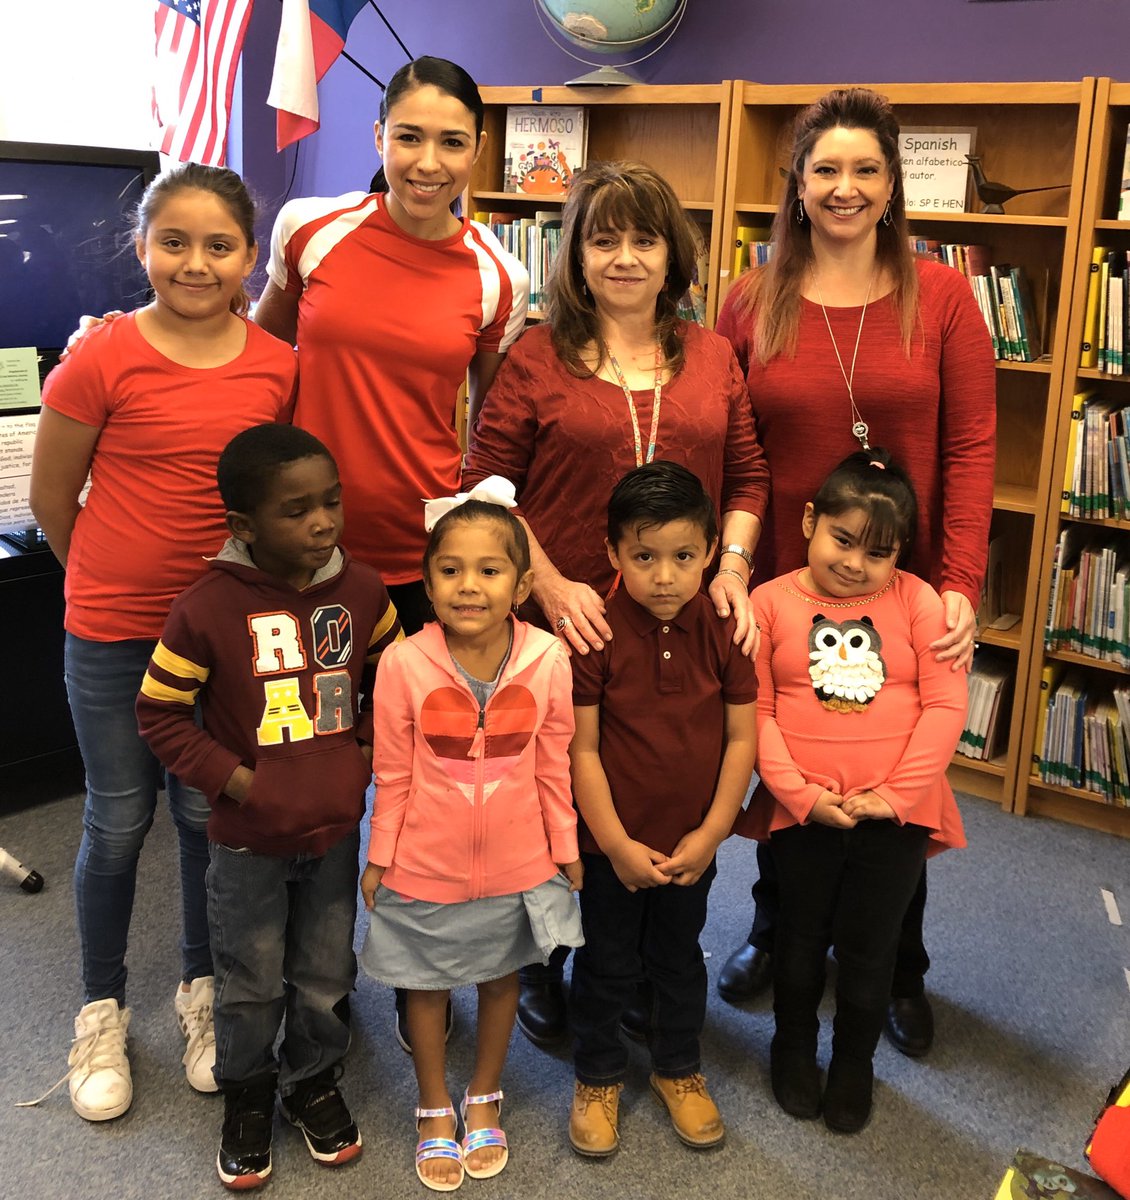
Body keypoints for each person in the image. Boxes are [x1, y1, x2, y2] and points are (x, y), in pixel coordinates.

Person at [713, 86, 995, 1053]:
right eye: (824, 168)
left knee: (893, 775)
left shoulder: (945, 297)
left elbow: (971, 448)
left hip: (902, 588)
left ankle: (896, 963)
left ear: (892, 185)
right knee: (785, 762)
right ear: (796, 184)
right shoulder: (751, 299)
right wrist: (733, 568)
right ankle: (774, 929)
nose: (844, 187)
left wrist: (958, 578)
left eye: (865, 169)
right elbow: (730, 450)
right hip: (783, 582)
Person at [464, 159, 769, 1045]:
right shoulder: (534, 355)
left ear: (674, 254)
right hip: (564, 627)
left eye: (644, 238)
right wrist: (547, 581)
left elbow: (749, 474)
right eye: (604, 239)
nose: (625, 257)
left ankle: (629, 960)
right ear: (576, 255)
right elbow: (484, 487)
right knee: (550, 809)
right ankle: (540, 961)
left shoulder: (712, 356)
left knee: (649, 792)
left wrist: (735, 568)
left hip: (678, 625)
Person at [26, 165, 296, 1122]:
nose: (195, 261)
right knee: (115, 822)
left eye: (219, 245)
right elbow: (52, 499)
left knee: (200, 819)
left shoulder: (275, 363)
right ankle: (101, 1012)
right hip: (112, 630)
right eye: (173, 241)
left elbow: (271, 499)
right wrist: (103, 578)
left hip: (217, 642)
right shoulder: (99, 358)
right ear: (143, 249)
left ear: (249, 258)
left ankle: (201, 995)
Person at [135, 424, 401, 1189]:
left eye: (331, 502)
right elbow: (158, 713)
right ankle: (247, 1093)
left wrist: (365, 753)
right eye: (296, 511)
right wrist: (239, 781)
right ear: (244, 526)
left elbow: (394, 673)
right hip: (248, 839)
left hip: (334, 833)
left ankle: (312, 1080)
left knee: (324, 971)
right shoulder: (205, 607)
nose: (321, 522)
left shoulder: (365, 591)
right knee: (250, 980)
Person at [253, 55, 529, 637]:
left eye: (451, 142)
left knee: (397, 725)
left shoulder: (501, 277)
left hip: (419, 550)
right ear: (380, 137)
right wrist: (139, 328)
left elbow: (486, 432)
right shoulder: (310, 228)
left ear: (477, 148)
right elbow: (252, 358)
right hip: (295, 539)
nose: (428, 163)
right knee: (295, 724)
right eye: (409, 137)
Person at [359, 480, 584, 1192]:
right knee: (424, 985)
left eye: (489, 571)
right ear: (426, 583)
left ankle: (485, 1093)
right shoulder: (401, 664)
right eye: (450, 570)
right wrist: (381, 855)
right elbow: (391, 774)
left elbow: (555, 767)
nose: (469, 586)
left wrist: (566, 849)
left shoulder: (547, 659)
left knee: (501, 976)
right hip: (425, 861)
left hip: (519, 862)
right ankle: (433, 1103)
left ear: (519, 584)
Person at [745, 449, 967, 1132]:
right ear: (810, 521)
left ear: (899, 553)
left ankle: (853, 1063)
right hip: (803, 813)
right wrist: (798, 795)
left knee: (871, 952)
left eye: (878, 552)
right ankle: (792, 1049)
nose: (853, 562)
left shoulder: (918, 601)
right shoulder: (770, 602)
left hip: (893, 819)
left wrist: (897, 796)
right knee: (800, 942)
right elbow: (756, 713)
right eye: (841, 539)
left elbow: (945, 705)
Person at [567, 461, 757, 1156]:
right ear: (614, 553)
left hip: (691, 847)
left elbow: (743, 737)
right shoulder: (595, 630)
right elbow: (582, 752)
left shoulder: (726, 625)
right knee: (605, 962)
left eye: (683, 557)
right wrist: (613, 844)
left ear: (711, 550)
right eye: (644, 557)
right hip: (610, 848)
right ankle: (596, 1075)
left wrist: (713, 832)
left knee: (678, 960)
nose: (666, 576)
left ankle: (679, 1067)